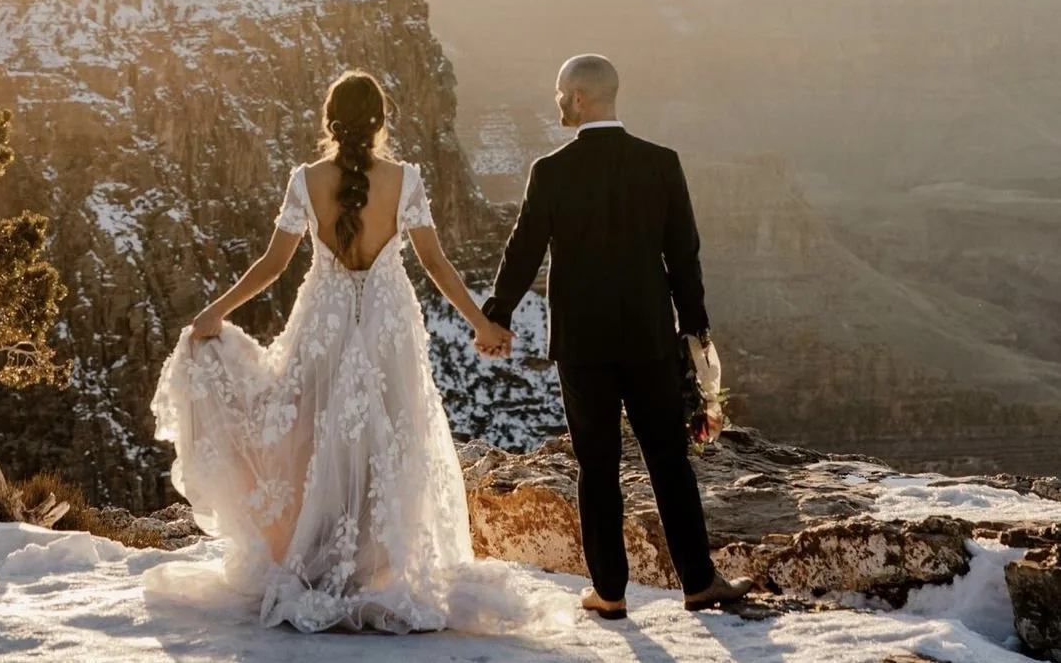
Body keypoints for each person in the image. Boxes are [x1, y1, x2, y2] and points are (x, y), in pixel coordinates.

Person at [145, 69, 565, 636]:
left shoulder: (306, 179)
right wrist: (483, 324)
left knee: (312, 437)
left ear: (330, 120)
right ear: (380, 121)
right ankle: (376, 566)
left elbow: (273, 266)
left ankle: (321, 560)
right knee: (390, 439)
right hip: (390, 324)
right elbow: (437, 265)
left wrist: (215, 312)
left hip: (324, 320)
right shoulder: (406, 180)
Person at [481, 53, 754, 619]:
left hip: (582, 347)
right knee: (669, 462)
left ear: (580, 99)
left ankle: (609, 593)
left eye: (561, 94)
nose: (557, 102)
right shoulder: (661, 164)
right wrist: (695, 330)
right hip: (651, 337)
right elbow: (684, 256)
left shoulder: (551, 172)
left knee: (597, 466)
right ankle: (699, 583)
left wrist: (497, 314)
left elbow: (523, 249)